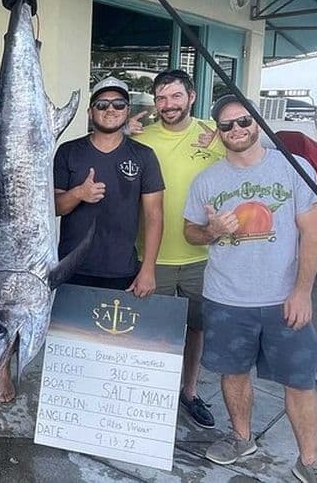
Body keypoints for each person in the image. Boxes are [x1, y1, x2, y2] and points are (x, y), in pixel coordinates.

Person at [184, 95, 317, 483]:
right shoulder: (207, 180)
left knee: (299, 380)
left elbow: (311, 235)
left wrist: (303, 291)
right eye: (228, 125)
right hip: (226, 297)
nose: (237, 130)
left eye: (244, 121)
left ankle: (310, 462)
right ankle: (240, 437)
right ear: (218, 133)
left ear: (258, 124)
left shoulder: (295, 169)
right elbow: (190, 231)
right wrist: (211, 231)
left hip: (283, 298)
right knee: (232, 373)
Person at [132, 69, 225, 429]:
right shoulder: (143, 140)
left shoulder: (214, 135)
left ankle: (188, 392)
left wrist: (225, 137)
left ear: (191, 96)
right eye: (161, 98)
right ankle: (153, 396)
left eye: (174, 97)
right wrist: (123, 132)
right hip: (151, 257)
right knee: (153, 331)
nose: (167, 105)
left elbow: (254, 150)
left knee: (195, 329)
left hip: (203, 256)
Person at [54, 76, 164, 296]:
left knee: (115, 331)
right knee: (68, 331)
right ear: (90, 112)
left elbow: (154, 215)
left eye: (119, 104)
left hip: (121, 269)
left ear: (127, 110)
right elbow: (55, 208)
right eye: (102, 104)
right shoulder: (68, 151)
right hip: (70, 267)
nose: (110, 109)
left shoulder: (144, 155)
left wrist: (148, 269)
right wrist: (78, 193)